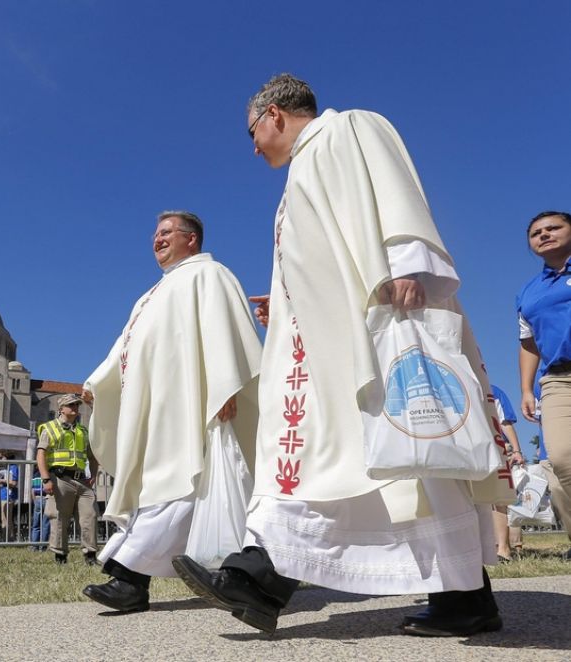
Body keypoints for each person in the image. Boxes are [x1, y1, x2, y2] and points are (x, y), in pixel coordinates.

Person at [173, 74, 512, 637]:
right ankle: (458, 597)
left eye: (252, 132)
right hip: (323, 337)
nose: (253, 147)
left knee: (392, 449)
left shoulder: (347, 127)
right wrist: (283, 302)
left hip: (369, 327)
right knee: (345, 456)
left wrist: (406, 264)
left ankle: (262, 576)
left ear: (274, 114)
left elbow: (391, 194)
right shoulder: (305, 165)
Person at [81, 211, 262, 613]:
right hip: (156, 405)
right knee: (165, 484)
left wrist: (224, 385)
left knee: (179, 481)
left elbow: (224, 328)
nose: (156, 240)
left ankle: (129, 578)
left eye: (166, 233)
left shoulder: (208, 275)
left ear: (191, 239)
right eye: (155, 234)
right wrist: (98, 383)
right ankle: (255, 571)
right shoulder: (151, 294)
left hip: (193, 401)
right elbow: (127, 346)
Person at [517, 211, 571, 514]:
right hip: (557, 380)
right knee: (561, 459)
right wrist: (526, 389)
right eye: (536, 232)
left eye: (554, 228)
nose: (544, 234)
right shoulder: (529, 292)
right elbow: (528, 342)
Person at [36, 393, 98, 566]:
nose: (75, 408)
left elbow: (92, 456)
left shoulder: (82, 431)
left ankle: (90, 555)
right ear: (61, 409)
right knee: (59, 518)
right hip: (60, 478)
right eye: (71, 405)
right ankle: (60, 557)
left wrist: (93, 474)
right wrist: (46, 479)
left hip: (82, 480)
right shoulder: (49, 428)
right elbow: (41, 453)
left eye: (77, 405)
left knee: (90, 516)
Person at [489, 385, 524, 563]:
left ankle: (503, 549)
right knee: (496, 501)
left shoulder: (493, 391)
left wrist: (516, 450)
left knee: (498, 501)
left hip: (496, 447)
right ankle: (497, 548)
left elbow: (505, 422)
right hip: (482, 448)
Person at [0, 452, 18, 539]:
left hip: (9, 495)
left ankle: (9, 538)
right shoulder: (5, 467)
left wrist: (2, 481)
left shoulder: (13, 467)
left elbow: (14, 483)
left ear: (7, 457)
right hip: (3, 495)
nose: (0, 459)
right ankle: (6, 538)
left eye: (1, 457)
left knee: (6, 518)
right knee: (4, 518)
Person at [29, 468, 50, 550]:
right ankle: (43, 546)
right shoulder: (48, 473)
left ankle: (34, 546)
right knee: (45, 524)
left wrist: (35, 500)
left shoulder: (35, 474)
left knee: (36, 525)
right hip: (46, 498)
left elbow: (33, 490)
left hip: (38, 498)